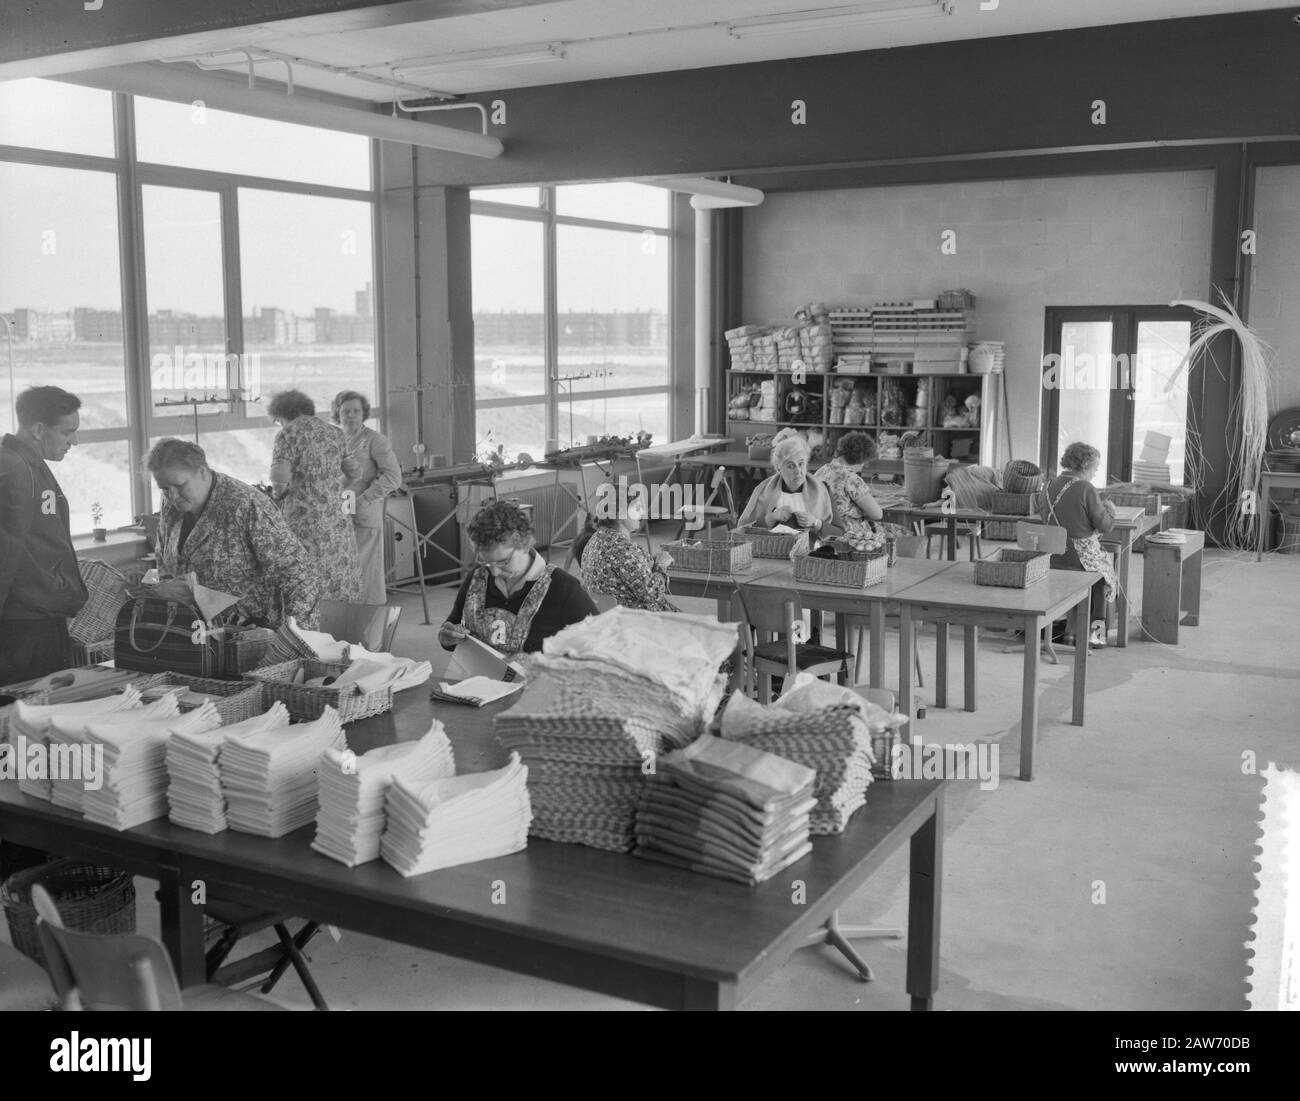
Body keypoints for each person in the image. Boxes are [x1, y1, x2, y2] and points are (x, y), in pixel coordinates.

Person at [149, 438, 322, 628]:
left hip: (250, 634)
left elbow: (300, 576)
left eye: (180, 486)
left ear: (202, 472)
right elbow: (164, 561)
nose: (172, 496)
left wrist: (293, 637)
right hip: (193, 632)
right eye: (164, 489)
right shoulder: (172, 503)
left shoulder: (246, 504)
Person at [0, 386, 88, 685]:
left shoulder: (28, 465)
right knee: (25, 718)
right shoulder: (14, 469)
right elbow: (4, 554)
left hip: (41, 621)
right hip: (24, 630)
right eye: (67, 432)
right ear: (39, 429)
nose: (74, 441)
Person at [440, 499, 598, 656]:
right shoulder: (477, 578)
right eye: (486, 561)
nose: (494, 572)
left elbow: (600, 646)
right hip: (478, 679)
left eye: (503, 561)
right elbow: (454, 624)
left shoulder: (563, 588)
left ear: (524, 544)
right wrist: (447, 637)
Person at [268, 389, 362, 607]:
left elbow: (279, 480)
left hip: (303, 518)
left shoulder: (288, 434)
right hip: (335, 518)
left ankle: (309, 627)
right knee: (337, 571)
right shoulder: (335, 432)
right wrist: (331, 487)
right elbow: (355, 473)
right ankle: (338, 624)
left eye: (278, 420)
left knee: (306, 573)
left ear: (283, 413)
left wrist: (279, 496)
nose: (279, 424)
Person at [1039, 441, 1118, 647]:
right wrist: (1109, 509)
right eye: (1095, 468)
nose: (1095, 472)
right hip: (1078, 557)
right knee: (1105, 577)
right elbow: (1105, 525)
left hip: (1053, 556)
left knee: (1097, 571)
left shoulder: (1047, 486)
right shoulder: (1085, 488)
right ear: (1085, 465)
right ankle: (1096, 637)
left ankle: (1070, 630)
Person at [333, 390, 402, 604]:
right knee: (342, 568)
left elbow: (393, 477)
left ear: (364, 413)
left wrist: (364, 500)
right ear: (338, 413)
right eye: (346, 411)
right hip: (338, 512)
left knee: (366, 569)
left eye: (356, 410)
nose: (351, 415)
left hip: (363, 511)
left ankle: (369, 623)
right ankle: (345, 622)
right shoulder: (334, 439)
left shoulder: (375, 440)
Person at [574, 485, 679, 612]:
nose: (642, 512)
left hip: (609, 618)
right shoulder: (622, 549)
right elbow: (653, 594)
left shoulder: (594, 540)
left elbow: (628, 572)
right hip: (637, 619)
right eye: (637, 508)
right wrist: (662, 564)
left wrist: (647, 562)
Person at [737, 428, 834, 535]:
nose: (798, 471)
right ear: (779, 469)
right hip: (772, 548)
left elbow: (839, 533)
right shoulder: (763, 490)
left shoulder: (822, 489)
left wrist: (816, 522)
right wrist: (769, 518)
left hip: (811, 549)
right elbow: (743, 530)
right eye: (791, 466)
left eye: (801, 464)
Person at [813, 431, 885, 542]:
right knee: (898, 532)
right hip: (847, 535)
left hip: (822, 529)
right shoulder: (851, 478)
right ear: (862, 459)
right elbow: (877, 514)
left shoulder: (821, 471)